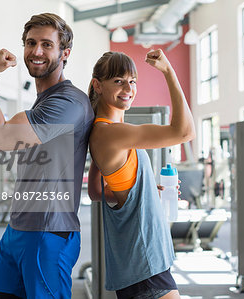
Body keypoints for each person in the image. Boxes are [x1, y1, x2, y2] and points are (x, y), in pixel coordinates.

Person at [0, 13, 94, 298]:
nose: (36, 51)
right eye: (30, 43)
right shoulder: (44, 101)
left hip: (48, 233)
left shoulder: (68, 103)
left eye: (46, 44)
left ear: (65, 53)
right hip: (19, 228)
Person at [87, 50, 195, 298]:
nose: (128, 88)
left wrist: (142, 193)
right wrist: (169, 71)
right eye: (118, 81)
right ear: (98, 85)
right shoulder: (112, 133)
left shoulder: (102, 131)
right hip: (144, 261)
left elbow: (96, 191)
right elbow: (184, 132)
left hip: (139, 260)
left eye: (132, 81)